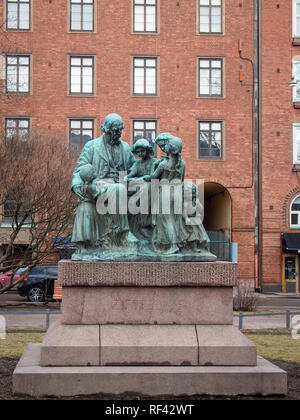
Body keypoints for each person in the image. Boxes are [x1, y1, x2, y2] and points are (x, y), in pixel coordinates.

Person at [71, 113, 137, 250]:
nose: (119, 133)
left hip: (122, 184)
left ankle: (149, 236)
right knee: (118, 189)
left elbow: (134, 168)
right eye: (115, 130)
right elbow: (80, 169)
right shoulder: (92, 146)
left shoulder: (125, 148)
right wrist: (76, 183)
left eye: (120, 130)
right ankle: (123, 233)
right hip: (99, 185)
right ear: (106, 129)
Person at [150, 134, 186, 254]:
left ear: (169, 148)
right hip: (177, 192)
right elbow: (181, 180)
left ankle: (173, 245)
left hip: (165, 192)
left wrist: (153, 166)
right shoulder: (183, 164)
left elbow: (153, 178)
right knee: (175, 220)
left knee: (166, 221)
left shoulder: (163, 164)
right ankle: (178, 243)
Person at [71, 164, 102, 255]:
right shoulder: (89, 186)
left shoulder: (86, 185)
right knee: (87, 227)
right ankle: (87, 246)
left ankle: (86, 246)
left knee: (84, 227)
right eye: (93, 172)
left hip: (84, 207)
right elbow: (78, 171)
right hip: (89, 207)